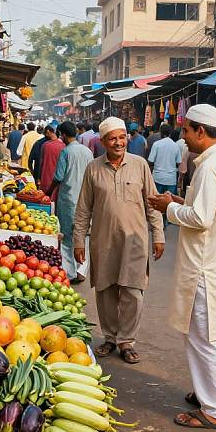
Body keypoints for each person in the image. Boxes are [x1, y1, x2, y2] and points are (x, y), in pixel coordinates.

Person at [148, 104, 216, 430]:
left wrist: (169, 210)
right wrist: (177, 203)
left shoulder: (209, 168)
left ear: (201, 132)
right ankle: (209, 393)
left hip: (207, 266)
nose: (184, 137)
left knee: (203, 337)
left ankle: (215, 409)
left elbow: (202, 218)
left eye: (187, 131)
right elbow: (215, 211)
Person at [74, 117, 165, 364]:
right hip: (103, 240)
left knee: (133, 291)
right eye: (113, 138)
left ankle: (127, 340)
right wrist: (79, 241)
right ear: (102, 141)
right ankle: (110, 337)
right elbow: (83, 208)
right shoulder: (93, 168)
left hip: (135, 240)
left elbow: (153, 203)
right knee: (105, 290)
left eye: (122, 137)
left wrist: (158, 235)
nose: (118, 143)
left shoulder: (140, 165)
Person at [46, 121, 93, 283]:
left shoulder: (66, 152)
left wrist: (47, 193)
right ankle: (82, 270)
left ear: (64, 135)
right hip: (86, 199)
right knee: (83, 235)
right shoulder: (87, 151)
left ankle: (70, 272)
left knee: (66, 238)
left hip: (68, 200)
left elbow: (58, 178)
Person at [148, 124, 182, 195]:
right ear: (170, 133)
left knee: (156, 202)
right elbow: (179, 162)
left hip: (157, 177)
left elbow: (150, 161)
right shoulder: (175, 145)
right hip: (171, 179)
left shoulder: (156, 144)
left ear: (161, 132)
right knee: (169, 203)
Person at [40, 126, 65, 201]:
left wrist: (39, 178)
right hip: (58, 181)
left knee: (45, 202)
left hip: (46, 179)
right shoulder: (63, 146)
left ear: (48, 132)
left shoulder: (45, 145)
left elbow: (41, 163)